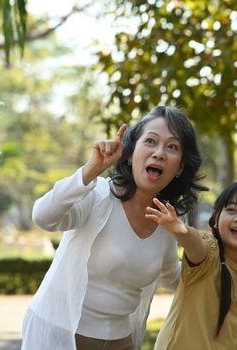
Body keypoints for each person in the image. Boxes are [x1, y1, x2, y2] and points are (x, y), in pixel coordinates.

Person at [21, 106, 208, 350]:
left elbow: (173, 278)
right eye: (150, 141)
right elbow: (43, 217)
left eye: (172, 147)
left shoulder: (165, 222)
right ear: (130, 155)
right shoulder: (98, 194)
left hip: (119, 340)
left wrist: (220, 260)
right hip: (63, 334)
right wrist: (91, 169)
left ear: (180, 167)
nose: (159, 153)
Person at [148, 180, 237, 350]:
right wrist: (182, 230)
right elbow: (196, 245)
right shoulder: (209, 252)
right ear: (216, 218)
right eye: (231, 210)